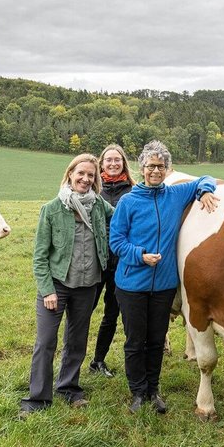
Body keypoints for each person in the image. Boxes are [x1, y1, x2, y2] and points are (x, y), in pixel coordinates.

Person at [109, 140, 219, 414]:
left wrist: (205, 190)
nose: (155, 171)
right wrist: (140, 254)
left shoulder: (175, 194)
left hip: (164, 286)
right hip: (132, 284)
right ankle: (137, 391)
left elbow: (205, 178)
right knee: (136, 341)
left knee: (157, 340)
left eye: (160, 166)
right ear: (142, 168)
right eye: (150, 166)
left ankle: (154, 390)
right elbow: (116, 240)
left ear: (168, 169)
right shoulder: (128, 201)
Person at [20, 154, 115, 417]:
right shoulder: (51, 209)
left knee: (77, 340)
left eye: (91, 175)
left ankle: (69, 388)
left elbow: (123, 216)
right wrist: (48, 289)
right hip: (57, 286)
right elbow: (40, 256)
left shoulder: (99, 206)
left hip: (87, 286)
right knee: (46, 341)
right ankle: (38, 398)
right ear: (70, 174)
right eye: (81, 173)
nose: (86, 179)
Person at [87, 144, 136, 378]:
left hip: (121, 263)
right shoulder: (93, 189)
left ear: (123, 163)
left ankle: (98, 360)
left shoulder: (134, 191)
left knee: (111, 313)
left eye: (117, 160)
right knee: (83, 311)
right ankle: (72, 358)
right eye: (109, 160)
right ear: (101, 163)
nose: (113, 164)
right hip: (96, 261)